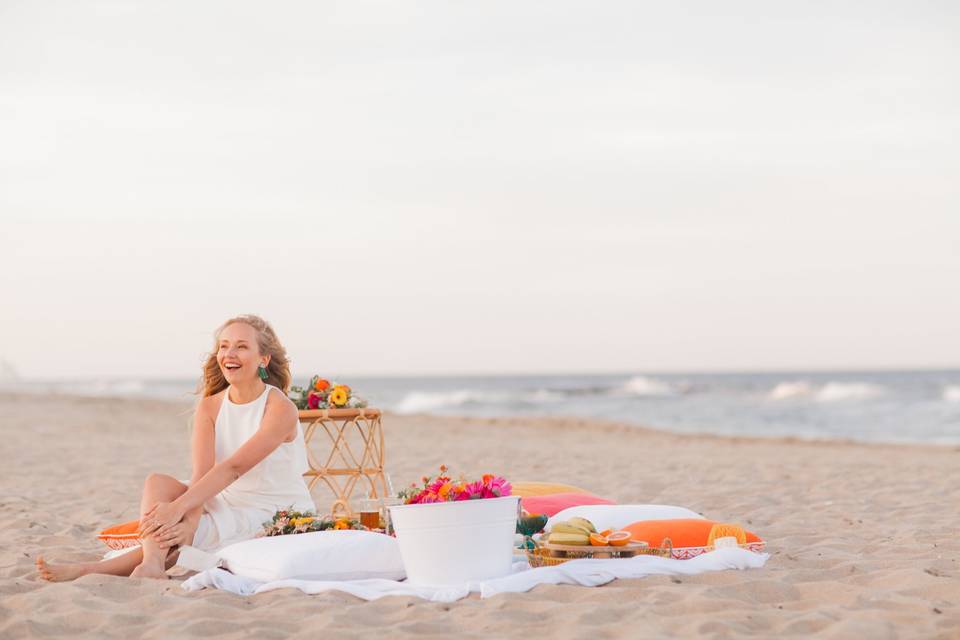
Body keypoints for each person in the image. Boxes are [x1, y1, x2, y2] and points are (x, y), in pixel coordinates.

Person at [37, 314, 315, 581]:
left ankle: (91, 570)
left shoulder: (280, 408)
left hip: (271, 508)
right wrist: (189, 519)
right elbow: (202, 474)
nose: (229, 354)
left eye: (242, 347)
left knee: (186, 528)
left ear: (263, 358)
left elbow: (233, 468)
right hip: (224, 498)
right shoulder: (210, 405)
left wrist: (181, 513)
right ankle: (152, 563)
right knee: (158, 483)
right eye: (224, 346)